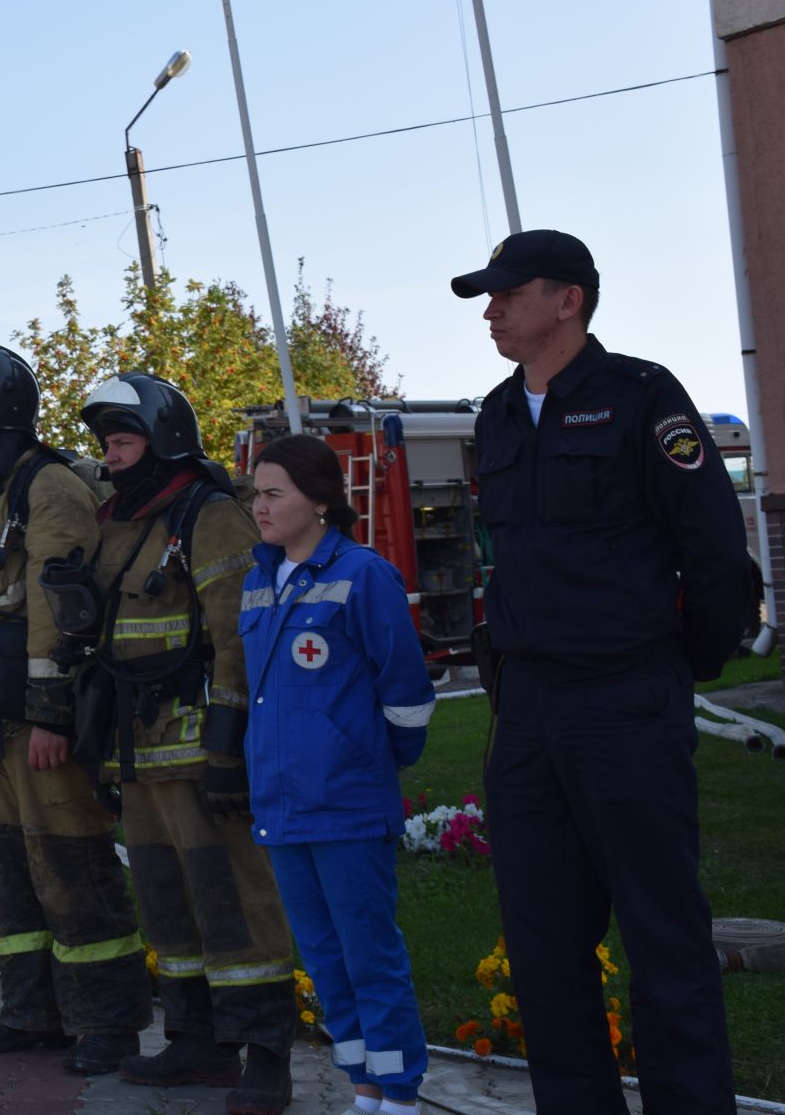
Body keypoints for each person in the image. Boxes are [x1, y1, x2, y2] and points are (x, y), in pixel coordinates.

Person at [453, 229, 749, 1115]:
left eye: (508, 294)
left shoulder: (640, 398)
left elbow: (715, 550)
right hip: (530, 710)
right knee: (543, 942)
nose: (492, 310)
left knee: (663, 935)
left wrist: (678, 663)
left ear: (568, 299)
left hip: (625, 698)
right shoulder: (499, 415)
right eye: (488, 297)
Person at [72, 374, 297, 1115]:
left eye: (124, 440)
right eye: (106, 444)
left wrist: (231, 746)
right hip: (138, 753)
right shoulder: (120, 522)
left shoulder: (208, 515)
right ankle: (196, 1042)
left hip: (200, 751)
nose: (112, 457)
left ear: (164, 441)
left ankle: (265, 1056)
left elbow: (237, 636)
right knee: (168, 907)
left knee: (235, 904)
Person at [0, 344, 151, 1075]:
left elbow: (58, 613)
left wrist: (54, 715)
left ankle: (108, 1024)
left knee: (71, 865)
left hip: (39, 723)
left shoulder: (49, 488)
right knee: (2, 868)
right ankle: (33, 1013)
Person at [240, 433, 434, 1115]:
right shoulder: (258, 581)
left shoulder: (364, 574)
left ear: (320, 501)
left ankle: (401, 1096)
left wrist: (369, 763)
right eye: (255, 493)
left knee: (369, 957)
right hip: (283, 808)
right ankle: (364, 1089)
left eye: (273, 493)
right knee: (325, 964)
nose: (258, 507)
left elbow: (407, 695)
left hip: (347, 806)